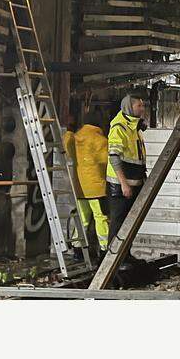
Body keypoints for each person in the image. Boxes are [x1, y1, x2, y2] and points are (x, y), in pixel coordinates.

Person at [64, 111, 110, 261]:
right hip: (96, 189)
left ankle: (78, 250)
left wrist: (69, 130)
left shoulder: (75, 137)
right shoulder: (101, 140)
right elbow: (106, 162)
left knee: (83, 219)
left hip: (80, 188)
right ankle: (104, 249)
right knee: (100, 218)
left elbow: (67, 146)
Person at [105, 92, 148, 252]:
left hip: (133, 183)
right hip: (120, 187)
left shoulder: (134, 127)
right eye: (139, 105)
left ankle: (124, 255)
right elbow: (114, 157)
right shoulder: (119, 127)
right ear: (129, 107)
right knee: (118, 224)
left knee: (129, 224)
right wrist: (124, 184)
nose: (142, 109)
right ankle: (112, 258)